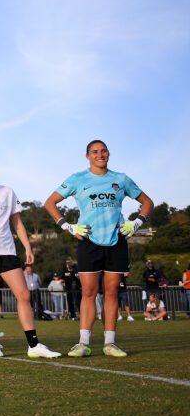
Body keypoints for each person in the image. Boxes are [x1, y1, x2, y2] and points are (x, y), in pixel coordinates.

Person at [45, 139, 153, 358]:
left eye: (103, 151)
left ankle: (110, 343)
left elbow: (147, 202)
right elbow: (50, 203)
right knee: (88, 292)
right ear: (88, 156)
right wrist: (67, 226)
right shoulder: (77, 179)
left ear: (108, 154)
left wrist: (137, 222)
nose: (100, 155)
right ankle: (83, 343)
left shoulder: (121, 179)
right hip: (89, 241)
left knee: (112, 292)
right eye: (94, 152)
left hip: (117, 240)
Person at [0, 157, 60, 359]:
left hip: (7, 251)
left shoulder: (7, 192)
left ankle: (33, 345)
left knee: (24, 295)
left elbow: (17, 223)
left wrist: (28, 247)